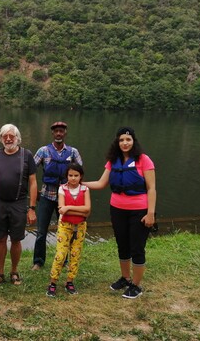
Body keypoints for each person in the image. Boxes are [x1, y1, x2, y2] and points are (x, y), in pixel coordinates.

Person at [83, 127, 156, 299]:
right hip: (117, 210)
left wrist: (150, 213)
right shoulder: (113, 161)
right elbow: (101, 183)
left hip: (139, 211)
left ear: (133, 141)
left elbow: (152, 188)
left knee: (137, 248)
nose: (125, 143)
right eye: (121, 140)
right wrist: (78, 184)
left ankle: (136, 286)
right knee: (122, 245)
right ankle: (125, 278)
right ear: (117, 142)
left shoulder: (144, 160)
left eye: (128, 140)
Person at [0, 124, 37, 287]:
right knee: (0, 238)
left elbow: (33, 182)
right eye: (4, 136)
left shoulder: (26, 155)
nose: (8, 139)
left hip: (19, 203)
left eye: (11, 136)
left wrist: (32, 208)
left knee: (16, 239)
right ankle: (0, 273)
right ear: (1, 138)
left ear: (17, 138)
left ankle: (14, 271)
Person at [32, 121, 83, 271]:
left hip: (66, 198)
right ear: (52, 133)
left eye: (61, 131)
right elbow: (30, 170)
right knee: (41, 231)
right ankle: (38, 261)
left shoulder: (73, 152)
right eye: (56, 131)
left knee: (66, 230)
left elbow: (80, 172)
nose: (59, 134)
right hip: (47, 196)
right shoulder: (43, 151)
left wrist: (78, 193)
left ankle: (65, 260)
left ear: (65, 133)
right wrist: (34, 189)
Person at [46, 163, 91, 297]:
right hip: (65, 226)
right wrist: (78, 211)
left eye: (76, 175)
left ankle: (69, 281)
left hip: (80, 227)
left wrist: (69, 209)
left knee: (75, 254)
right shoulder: (62, 189)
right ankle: (53, 282)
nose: (73, 178)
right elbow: (61, 209)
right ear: (66, 176)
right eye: (70, 175)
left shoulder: (85, 189)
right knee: (60, 254)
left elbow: (87, 211)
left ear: (80, 176)